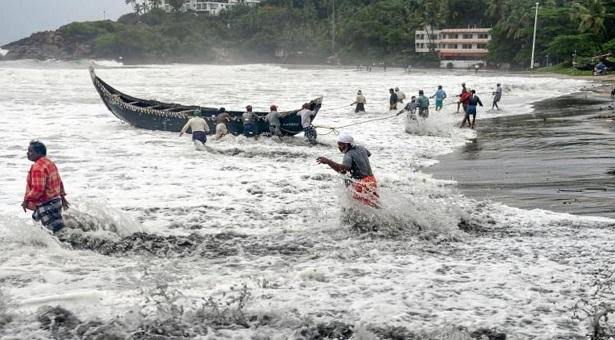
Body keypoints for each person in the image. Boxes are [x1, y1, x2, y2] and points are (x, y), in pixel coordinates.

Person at [316, 133, 379, 208]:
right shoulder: (361, 148)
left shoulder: (348, 155)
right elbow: (368, 154)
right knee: (376, 206)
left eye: (341, 145)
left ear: (347, 145)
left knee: (362, 209)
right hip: (372, 181)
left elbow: (343, 170)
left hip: (361, 185)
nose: (339, 147)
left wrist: (328, 161)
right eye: (338, 144)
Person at [22, 140, 69, 234]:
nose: (27, 153)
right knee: (49, 227)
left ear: (39, 153)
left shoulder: (38, 167)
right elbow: (59, 181)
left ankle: (65, 246)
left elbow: (38, 189)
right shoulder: (49, 163)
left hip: (46, 204)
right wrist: (63, 197)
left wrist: (26, 200)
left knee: (52, 232)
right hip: (56, 201)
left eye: (31, 151)